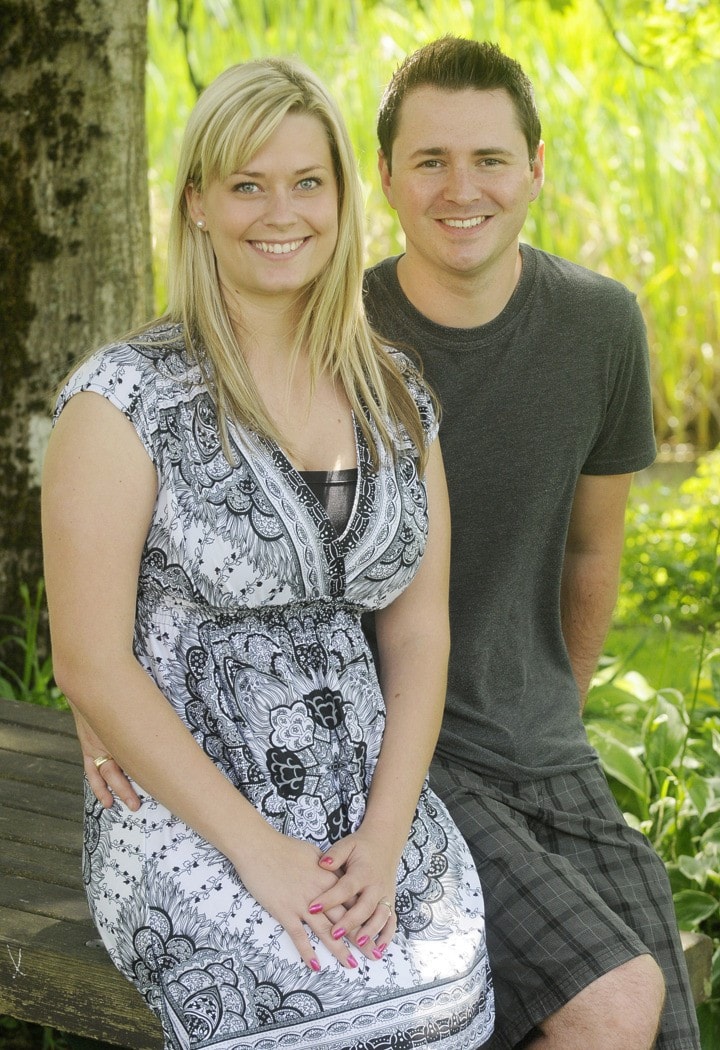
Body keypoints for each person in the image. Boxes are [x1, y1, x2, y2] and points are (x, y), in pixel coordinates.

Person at [41, 57, 494, 1049]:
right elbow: (90, 660)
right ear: (198, 203)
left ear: (341, 197)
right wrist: (258, 853)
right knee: (318, 999)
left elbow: (418, 634)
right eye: (246, 184)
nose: (277, 212)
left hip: (368, 803)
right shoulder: (123, 402)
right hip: (190, 811)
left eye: (305, 182)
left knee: (440, 983)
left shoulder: (396, 399)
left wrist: (383, 837)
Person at [361, 35, 700, 1050]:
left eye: (490, 159)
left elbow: (593, 551)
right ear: (385, 178)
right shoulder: (336, 329)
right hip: (395, 757)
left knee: (668, 1020)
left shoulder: (601, 326)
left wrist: (557, 698)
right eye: (430, 161)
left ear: (537, 169)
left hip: (544, 751)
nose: (462, 189)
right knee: (606, 1007)